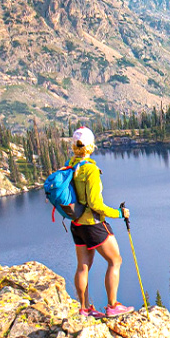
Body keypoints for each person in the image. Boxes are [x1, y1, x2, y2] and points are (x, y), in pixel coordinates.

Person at [67, 127, 132, 318]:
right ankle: (112, 306)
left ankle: (84, 309)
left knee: (83, 266)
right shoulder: (91, 170)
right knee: (115, 260)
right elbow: (95, 203)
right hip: (93, 224)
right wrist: (118, 213)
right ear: (91, 146)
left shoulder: (71, 165)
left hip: (76, 224)